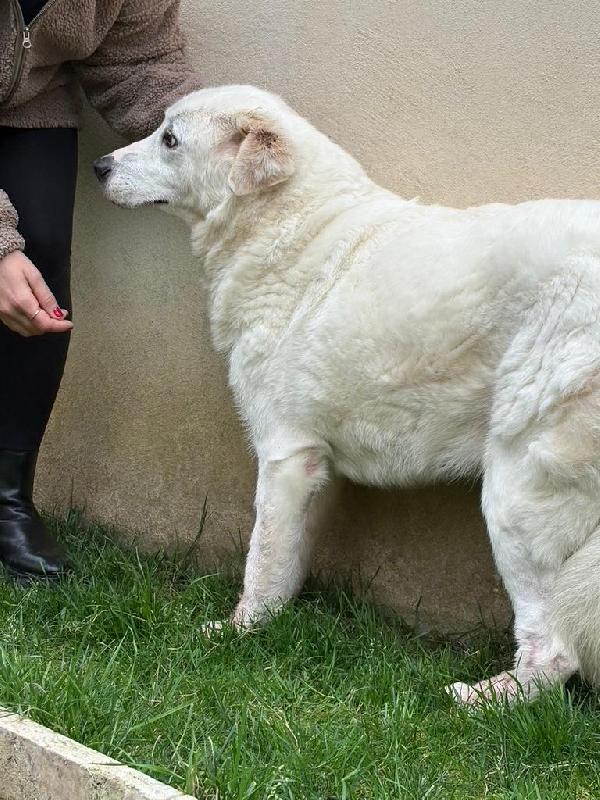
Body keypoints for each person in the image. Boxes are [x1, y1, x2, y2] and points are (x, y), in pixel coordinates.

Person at [0, 0, 202, 580]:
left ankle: (6, 497)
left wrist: (220, 143)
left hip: (29, 104)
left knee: (38, 273)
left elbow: (141, 66)